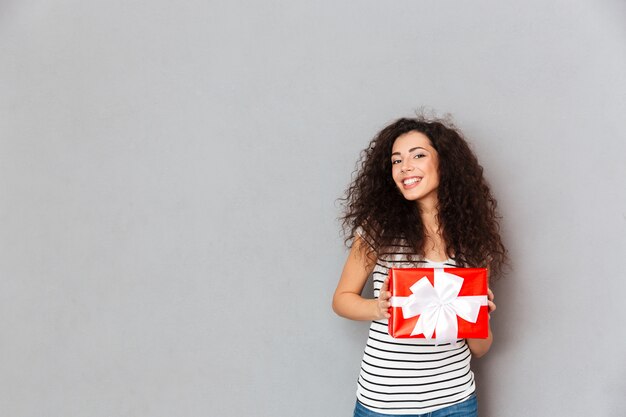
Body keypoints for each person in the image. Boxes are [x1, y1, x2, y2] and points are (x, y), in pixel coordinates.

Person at [332, 115, 506, 417]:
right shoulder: (378, 231)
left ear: (445, 164)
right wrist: (378, 308)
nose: (405, 167)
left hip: (455, 402)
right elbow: (341, 300)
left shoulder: (473, 242)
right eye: (396, 161)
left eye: (418, 155)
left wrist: (478, 315)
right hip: (385, 403)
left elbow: (479, 348)